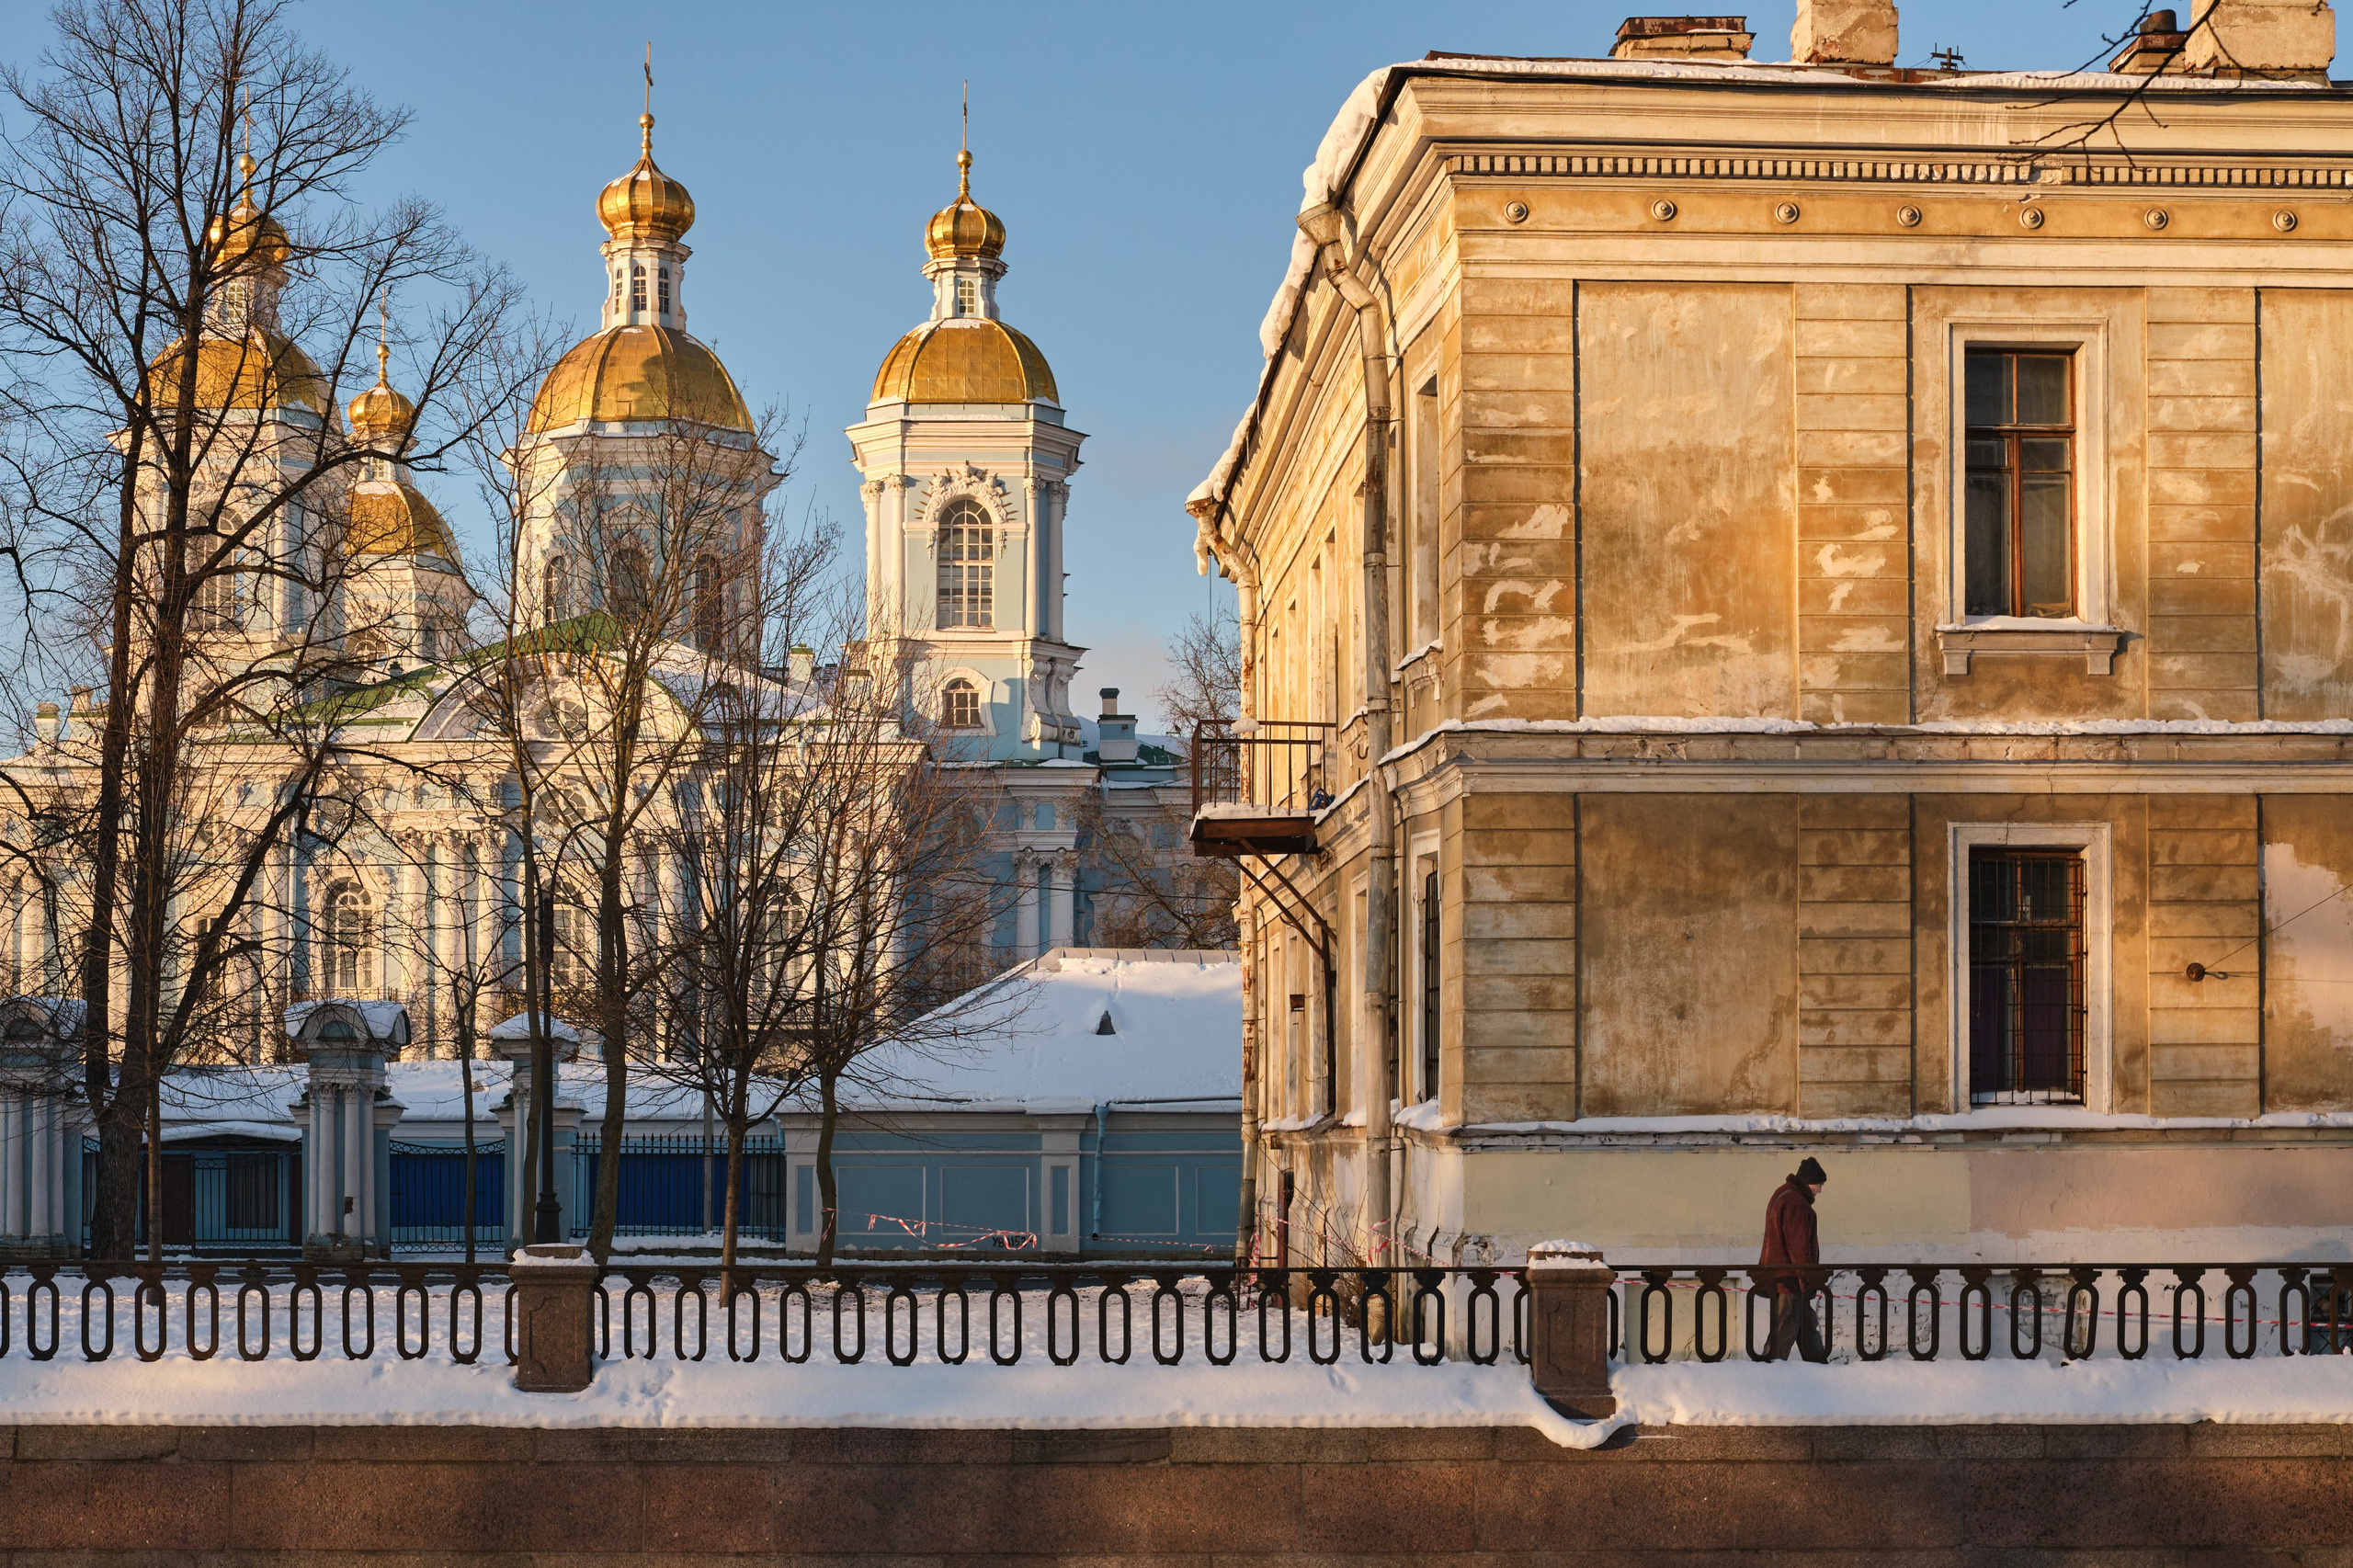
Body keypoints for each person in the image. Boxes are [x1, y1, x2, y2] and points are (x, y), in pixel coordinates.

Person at [1759, 1156, 1828, 1362]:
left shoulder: (1783, 1194)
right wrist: (1806, 1281)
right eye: (1819, 1185)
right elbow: (1799, 1248)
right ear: (1809, 1181)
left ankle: (1819, 1366)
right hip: (1791, 1280)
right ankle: (1769, 1369)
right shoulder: (1797, 1203)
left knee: (1805, 1325)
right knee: (1785, 1327)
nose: (1820, 1191)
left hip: (1783, 1277)